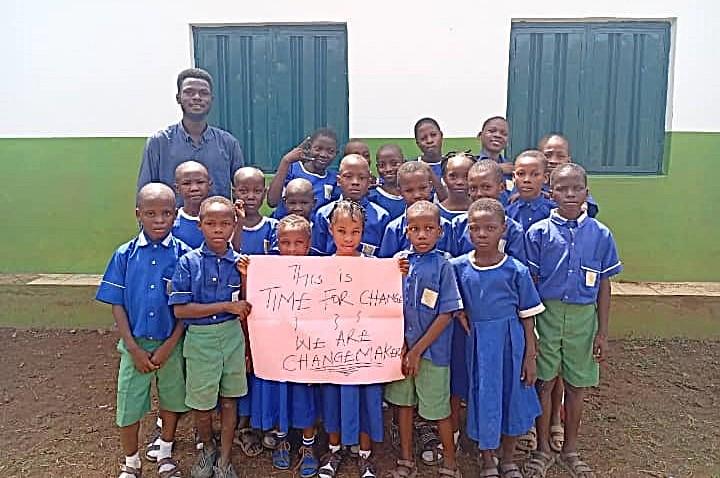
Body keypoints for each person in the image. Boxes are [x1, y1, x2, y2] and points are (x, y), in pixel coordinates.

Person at [524, 164, 622, 478]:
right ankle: (542, 449)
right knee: (544, 382)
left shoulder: (601, 233)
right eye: (562, 188)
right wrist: (533, 332)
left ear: (586, 192)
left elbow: (604, 285)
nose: (569, 194)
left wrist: (602, 332)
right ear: (550, 193)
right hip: (547, 315)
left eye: (576, 188)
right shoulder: (538, 232)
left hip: (583, 318)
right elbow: (532, 283)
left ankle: (570, 449)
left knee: (577, 385)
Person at [95, 183, 189, 478]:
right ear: (138, 214)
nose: (159, 220)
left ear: (175, 215)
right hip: (133, 346)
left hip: (170, 346)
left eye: (165, 213)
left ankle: (165, 450)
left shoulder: (185, 256)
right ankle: (131, 461)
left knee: (172, 399)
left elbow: (185, 309)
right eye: (151, 213)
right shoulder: (124, 255)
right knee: (128, 405)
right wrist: (133, 348)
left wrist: (169, 345)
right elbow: (117, 304)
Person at [451, 198, 543, 478]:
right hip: (478, 346)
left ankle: (508, 457)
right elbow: (452, 301)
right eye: (475, 228)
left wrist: (529, 356)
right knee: (485, 397)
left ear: (503, 229)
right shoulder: (458, 267)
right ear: (467, 229)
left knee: (512, 396)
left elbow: (528, 316)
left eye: (490, 228)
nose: (482, 234)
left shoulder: (516, 270)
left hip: (510, 343)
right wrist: (459, 311)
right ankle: (487, 457)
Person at [318, 199, 403, 478]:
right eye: (342, 231)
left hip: (366, 353)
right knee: (333, 402)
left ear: (363, 231)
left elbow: (386, 300)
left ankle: (365, 457)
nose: (348, 238)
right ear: (331, 230)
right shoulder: (319, 268)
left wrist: (396, 273)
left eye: (355, 232)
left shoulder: (375, 265)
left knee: (367, 403)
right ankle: (333, 451)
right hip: (333, 352)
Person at [169, 196, 252, 478]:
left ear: (234, 225)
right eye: (211, 223)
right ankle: (207, 447)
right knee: (202, 404)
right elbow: (181, 309)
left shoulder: (242, 264)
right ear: (200, 225)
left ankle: (225, 459)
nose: (218, 229)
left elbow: (251, 302)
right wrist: (226, 306)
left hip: (232, 337)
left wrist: (244, 279)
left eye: (225, 223)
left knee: (230, 399)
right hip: (200, 339)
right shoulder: (188, 262)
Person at [236, 215, 321, 477]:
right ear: (277, 243)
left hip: (308, 349)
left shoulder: (321, 268)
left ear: (309, 244)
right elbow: (250, 302)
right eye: (286, 243)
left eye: (299, 243)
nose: (292, 249)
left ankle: (308, 446)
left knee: (305, 396)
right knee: (280, 395)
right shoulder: (267, 268)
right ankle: (282, 439)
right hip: (275, 348)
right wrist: (246, 276)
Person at [384, 200, 464, 478]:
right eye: (415, 229)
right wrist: (403, 347)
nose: (422, 235)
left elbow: (447, 313)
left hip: (432, 353)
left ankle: (450, 462)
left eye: (429, 229)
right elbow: (387, 304)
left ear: (440, 232)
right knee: (403, 405)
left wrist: (417, 351)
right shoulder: (399, 263)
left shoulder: (444, 266)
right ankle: (406, 459)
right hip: (399, 351)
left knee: (439, 408)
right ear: (406, 231)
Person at [137, 68, 244, 202]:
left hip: (218, 222)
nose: (197, 98)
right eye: (189, 92)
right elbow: (145, 197)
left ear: (211, 99)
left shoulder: (228, 144)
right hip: (173, 223)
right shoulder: (159, 143)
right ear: (178, 98)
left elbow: (242, 192)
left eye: (203, 93)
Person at [312, 154, 390, 256]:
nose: (355, 182)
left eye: (362, 178)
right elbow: (317, 255)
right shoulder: (323, 214)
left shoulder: (381, 217)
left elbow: (385, 259)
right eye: (348, 177)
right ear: (338, 180)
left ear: (369, 181)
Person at [379, 161, 453, 259]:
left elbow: (453, 262)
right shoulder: (394, 229)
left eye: (422, 188)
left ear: (431, 187)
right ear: (399, 191)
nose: (417, 195)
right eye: (409, 190)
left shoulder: (445, 226)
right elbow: (387, 265)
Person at [268, 129, 340, 219]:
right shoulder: (292, 168)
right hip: (283, 227)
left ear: (336, 154)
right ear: (309, 147)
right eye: (318, 149)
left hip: (312, 231)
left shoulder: (333, 179)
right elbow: (272, 201)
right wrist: (285, 161)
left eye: (330, 151)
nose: (323, 154)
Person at [538, 133, 599, 218]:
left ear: (568, 161)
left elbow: (589, 208)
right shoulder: (530, 184)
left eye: (560, 156)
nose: (553, 161)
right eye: (547, 155)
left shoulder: (574, 185)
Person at [231, 167, 277, 255]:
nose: (251, 196)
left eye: (257, 191)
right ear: (234, 193)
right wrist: (239, 223)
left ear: (264, 194)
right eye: (243, 191)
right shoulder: (227, 226)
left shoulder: (273, 227)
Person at [506, 151, 555, 231]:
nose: (527, 180)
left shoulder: (552, 211)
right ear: (514, 177)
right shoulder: (508, 212)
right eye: (521, 174)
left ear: (545, 178)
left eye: (535, 174)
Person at [171, 161, 211, 248]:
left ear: (209, 185)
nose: (194, 188)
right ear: (177, 188)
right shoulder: (172, 221)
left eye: (200, 182)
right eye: (186, 183)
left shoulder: (220, 218)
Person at [368, 144, 406, 220]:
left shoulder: (412, 194)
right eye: (382, 165)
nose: (388, 169)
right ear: (377, 167)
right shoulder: (371, 197)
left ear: (404, 163)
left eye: (394, 164)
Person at [414, 118, 449, 201]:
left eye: (433, 135)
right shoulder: (412, 167)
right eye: (423, 138)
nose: (429, 141)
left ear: (441, 135)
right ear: (417, 143)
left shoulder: (452, 165)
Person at [476, 116, 513, 191]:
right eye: (492, 131)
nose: (498, 135)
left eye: (504, 134)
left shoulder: (511, 169)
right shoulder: (470, 163)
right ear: (480, 136)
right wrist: (497, 169)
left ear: (507, 142)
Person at [438, 153, 474, 222]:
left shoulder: (482, 210)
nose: (460, 182)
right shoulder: (434, 212)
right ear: (444, 178)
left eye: (466, 176)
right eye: (453, 176)